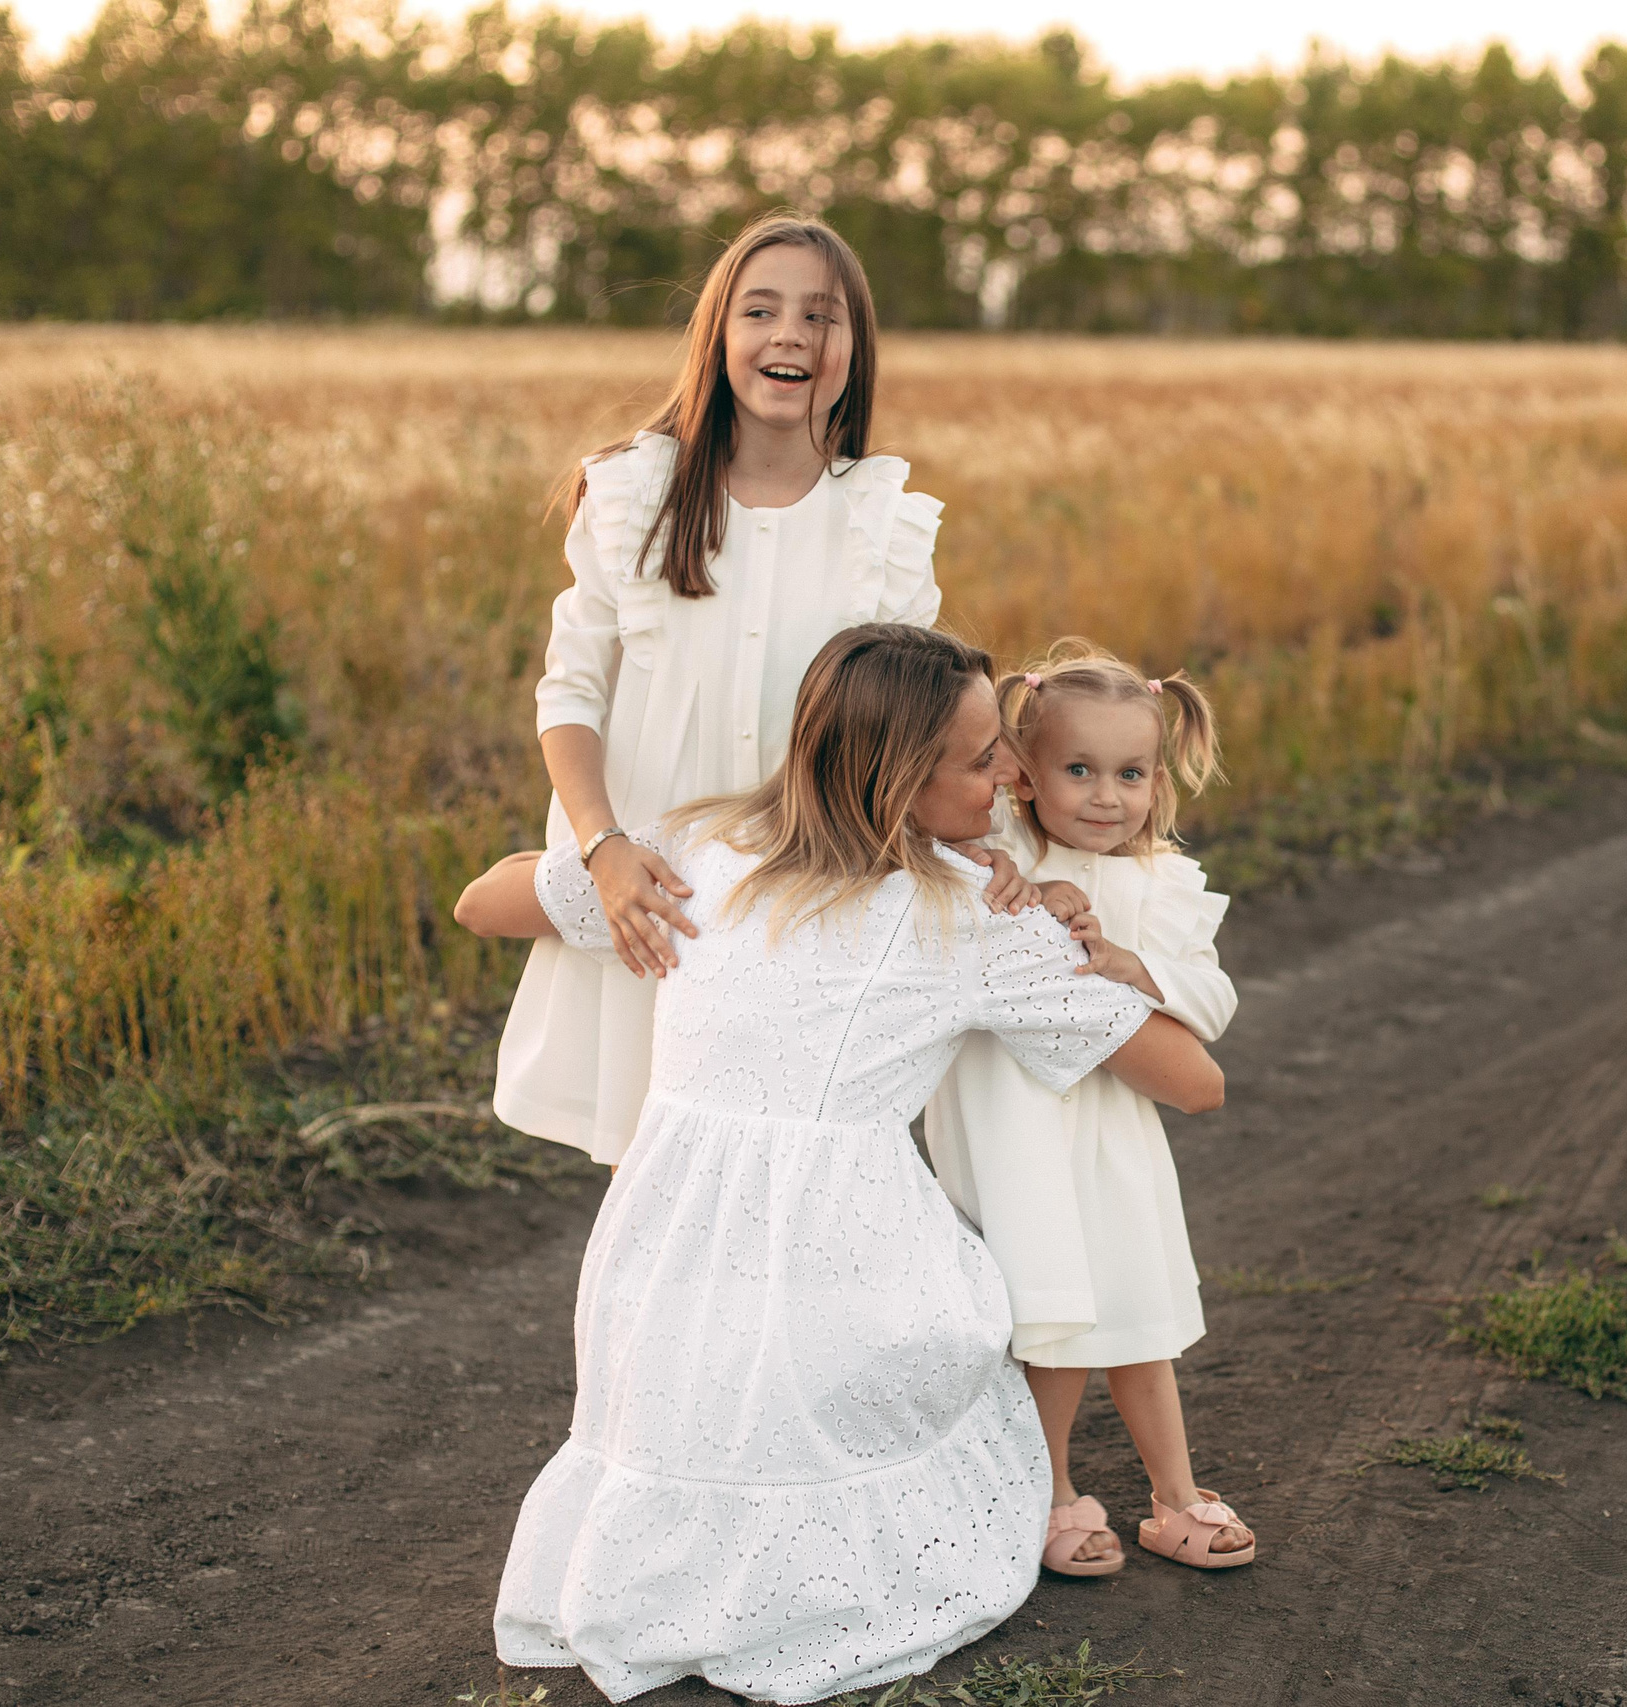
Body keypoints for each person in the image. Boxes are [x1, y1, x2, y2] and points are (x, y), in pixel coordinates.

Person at [479, 624, 1225, 1703]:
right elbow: (1194, 1083)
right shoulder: (972, 920)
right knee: (933, 1340)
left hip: (657, 1278)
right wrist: (1091, 948)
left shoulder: (696, 850)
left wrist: (607, 866)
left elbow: (479, 901)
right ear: (893, 779)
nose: (1013, 774)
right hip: (845, 1271)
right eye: (982, 760)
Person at [455, 212, 1024, 1168]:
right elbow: (571, 697)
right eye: (760, 310)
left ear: (856, 348)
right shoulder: (636, 492)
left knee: (767, 1157)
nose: (790, 333)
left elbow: (915, 732)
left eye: (821, 315)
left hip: (801, 895)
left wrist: (989, 845)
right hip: (648, 884)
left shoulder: (881, 522)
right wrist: (603, 847)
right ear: (718, 336)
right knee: (647, 1155)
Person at [923, 638, 1254, 1578]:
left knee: (1138, 1304)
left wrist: (1137, 971)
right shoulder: (1001, 856)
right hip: (1019, 1123)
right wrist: (1025, 884)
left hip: (1113, 1129)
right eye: (1079, 769)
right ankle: (1051, 1492)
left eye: (1131, 773)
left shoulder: (1160, 882)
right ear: (1023, 775)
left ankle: (1175, 1495)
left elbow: (1214, 1002)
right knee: (1053, 1316)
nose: (1107, 796)